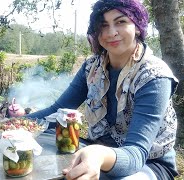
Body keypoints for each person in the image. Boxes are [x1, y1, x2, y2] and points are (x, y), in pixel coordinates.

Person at [26, 0, 179, 179]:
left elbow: (137, 153)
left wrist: (99, 155)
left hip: (147, 162)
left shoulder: (154, 76)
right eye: (103, 25)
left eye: (121, 22)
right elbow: (55, 112)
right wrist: (5, 125)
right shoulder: (92, 67)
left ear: (137, 27)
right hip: (95, 150)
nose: (111, 33)